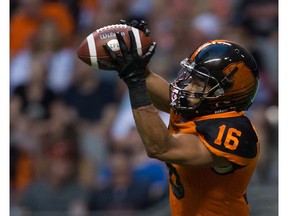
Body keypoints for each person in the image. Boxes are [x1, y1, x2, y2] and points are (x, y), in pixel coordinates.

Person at [96, 20, 260, 216]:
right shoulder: (202, 109)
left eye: (199, 83)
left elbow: (161, 148)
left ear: (224, 94)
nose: (187, 86)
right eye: (190, 77)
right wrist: (136, 62)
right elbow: (164, 94)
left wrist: (135, 81)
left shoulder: (235, 133)